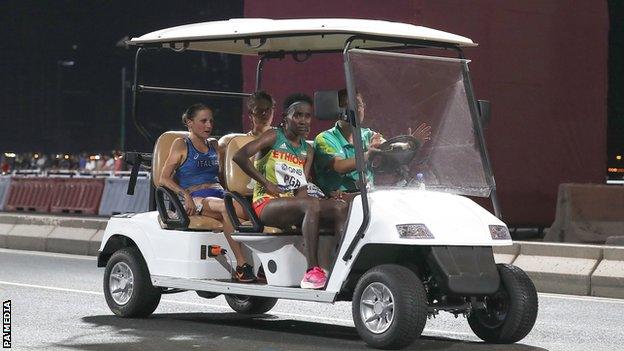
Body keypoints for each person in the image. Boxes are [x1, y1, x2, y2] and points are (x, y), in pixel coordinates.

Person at [233, 93, 348, 289]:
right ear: (286, 117)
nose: (304, 120)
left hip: (293, 205)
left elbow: (301, 189)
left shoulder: (308, 150)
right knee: (311, 204)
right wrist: (266, 183)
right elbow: (240, 156)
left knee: (338, 207)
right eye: (298, 115)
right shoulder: (274, 136)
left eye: (307, 116)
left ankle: (343, 264)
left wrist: (320, 202)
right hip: (266, 203)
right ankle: (312, 271)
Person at [160, 103, 255, 283]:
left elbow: (222, 175)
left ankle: (256, 263)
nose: (209, 126)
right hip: (196, 198)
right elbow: (164, 178)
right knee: (227, 208)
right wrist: (185, 195)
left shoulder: (213, 145)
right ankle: (242, 265)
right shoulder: (181, 144)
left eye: (211, 121)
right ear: (189, 123)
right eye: (203, 121)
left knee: (249, 212)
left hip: (219, 194)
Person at [313, 89, 432, 197]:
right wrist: (367, 155)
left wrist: (409, 144)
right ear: (338, 109)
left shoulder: (368, 135)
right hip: (340, 199)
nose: (358, 109)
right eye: (351, 105)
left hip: (368, 197)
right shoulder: (325, 138)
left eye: (359, 105)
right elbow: (339, 166)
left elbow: (389, 147)